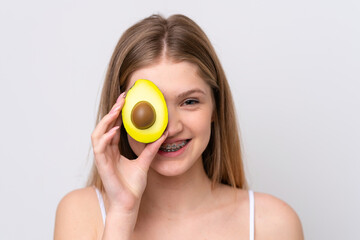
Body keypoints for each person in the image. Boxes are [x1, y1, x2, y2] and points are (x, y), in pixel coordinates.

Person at [54, 14, 304, 240]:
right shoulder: (80, 213)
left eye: (189, 101)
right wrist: (122, 212)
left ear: (215, 108)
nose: (170, 127)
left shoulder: (273, 224)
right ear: (119, 114)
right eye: (150, 108)